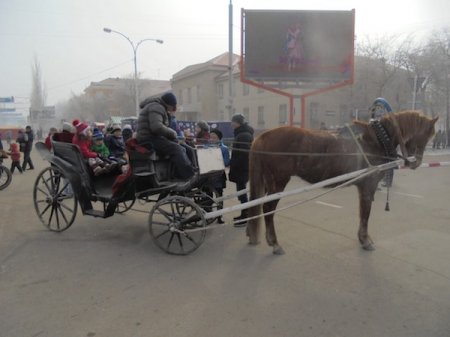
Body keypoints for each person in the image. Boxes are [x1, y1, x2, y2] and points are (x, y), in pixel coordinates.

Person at [136, 92, 195, 180]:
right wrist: (173, 133)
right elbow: (156, 127)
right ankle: (188, 175)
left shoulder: (158, 106)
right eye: (173, 106)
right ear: (169, 104)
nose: (172, 109)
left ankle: (183, 172)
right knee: (177, 149)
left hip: (152, 137)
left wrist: (173, 138)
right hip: (148, 139)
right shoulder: (157, 107)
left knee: (183, 147)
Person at [228, 113, 254, 227]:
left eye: (232, 121)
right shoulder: (242, 133)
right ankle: (244, 214)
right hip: (242, 168)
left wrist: (233, 163)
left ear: (237, 122)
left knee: (242, 193)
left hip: (242, 169)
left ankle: (246, 215)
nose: (231, 123)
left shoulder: (243, 135)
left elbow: (244, 154)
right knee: (241, 192)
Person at [210, 128, 230, 224]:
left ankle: (219, 216)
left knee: (219, 196)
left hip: (219, 176)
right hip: (207, 176)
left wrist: (216, 161)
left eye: (214, 137)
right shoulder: (206, 147)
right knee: (207, 196)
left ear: (219, 138)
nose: (212, 139)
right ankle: (208, 214)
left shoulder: (224, 148)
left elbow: (226, 162)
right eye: (211, 137)